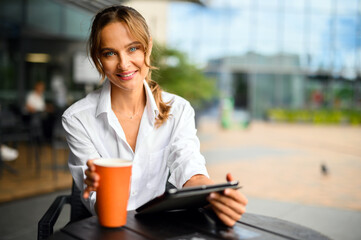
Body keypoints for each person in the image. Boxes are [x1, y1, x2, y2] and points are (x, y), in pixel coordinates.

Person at [62, 5, 247, 227]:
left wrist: (215, 197)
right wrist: (101, 187)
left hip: (156, 228)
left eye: (132, 49)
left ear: (147, 47)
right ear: (98, 59)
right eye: (110, 53)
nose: (123, 64)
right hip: (107, 228)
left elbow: (190, 171)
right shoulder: (78, 119)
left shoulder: (178, 110)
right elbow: (102, 209)